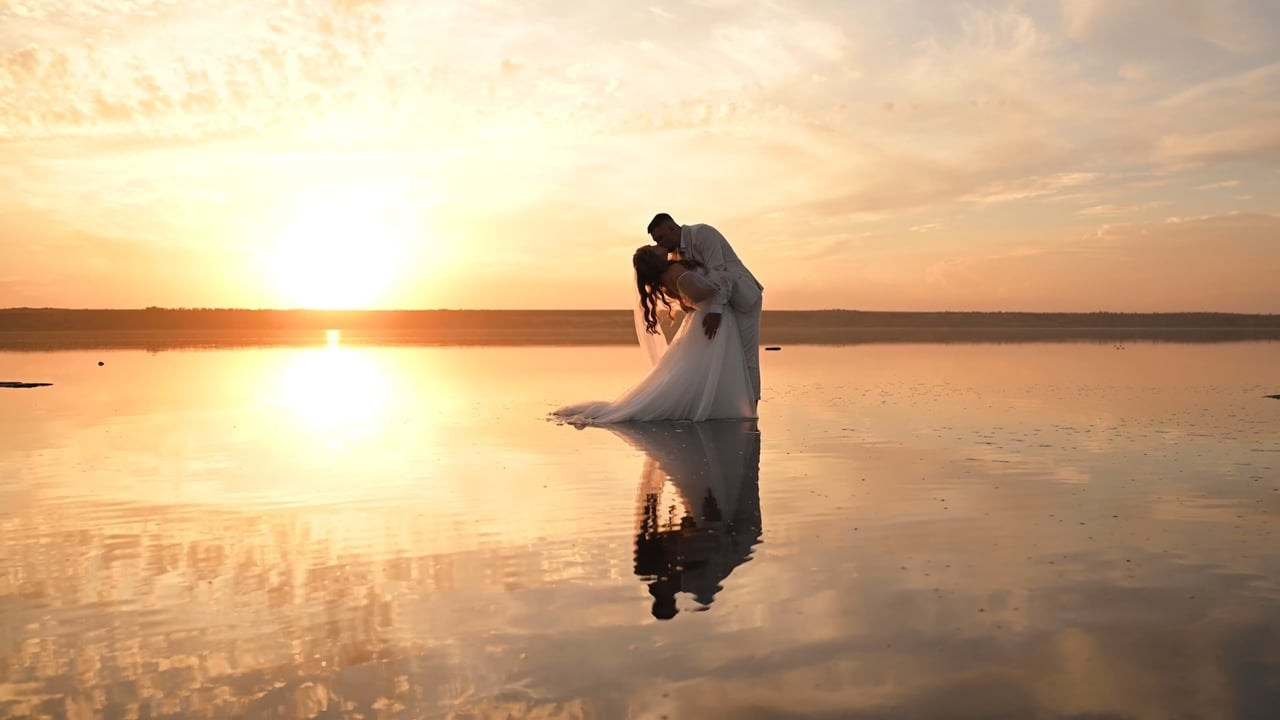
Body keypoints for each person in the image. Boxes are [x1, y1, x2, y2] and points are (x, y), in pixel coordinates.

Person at [552, 244, 756, 424]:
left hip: (702, 318)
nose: (658, 245)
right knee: (710, 364)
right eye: (653, 247)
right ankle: (714, 404)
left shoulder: (666, 280)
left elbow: (688, 303)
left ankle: (711, 401)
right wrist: (721, 281)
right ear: (654, 258)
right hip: (711, 318)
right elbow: (701, 293)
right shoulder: (677, 271)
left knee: (701, 366)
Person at [647, 213, 764, 403]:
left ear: (672, 228)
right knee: (725, 356)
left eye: (660, 238)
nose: (660, 244)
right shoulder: (674, 255)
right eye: (655, 241)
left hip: (742, 296)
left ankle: (752, 403)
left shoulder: (702, 234)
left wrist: (715, 312)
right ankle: (728, 401)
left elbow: (719, 272)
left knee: (746, 355)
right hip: (719, 304)